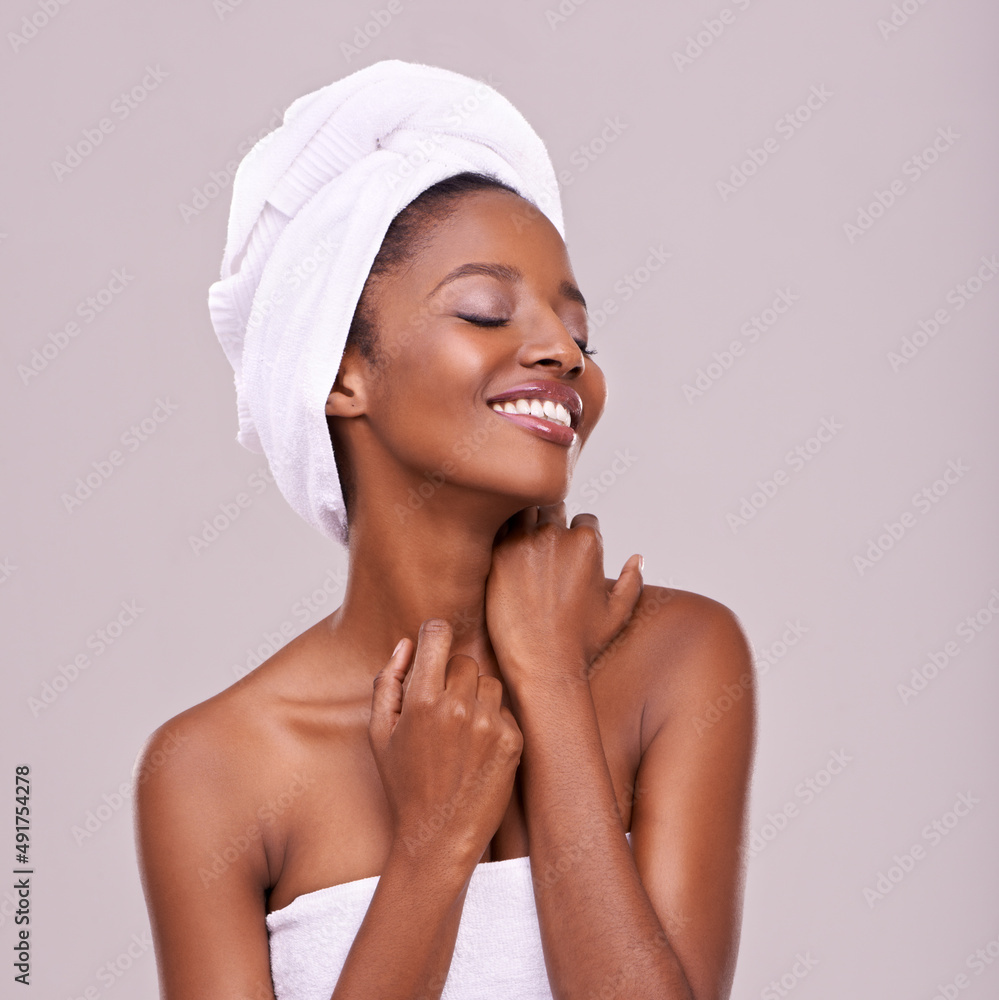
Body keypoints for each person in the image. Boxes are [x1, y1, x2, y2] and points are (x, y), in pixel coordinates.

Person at [133, 61, 755, 1000]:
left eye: (579, 333)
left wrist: (548, 685)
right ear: (341, 376)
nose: (561, 352)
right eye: (483, 311)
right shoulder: (214, 770)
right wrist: (430, 845)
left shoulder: (677, 661)